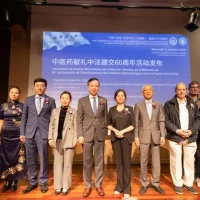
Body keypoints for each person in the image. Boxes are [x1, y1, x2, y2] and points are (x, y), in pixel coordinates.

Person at [20, 78, 56, 194]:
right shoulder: (28, 100)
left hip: (43, 133)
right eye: (37, 85)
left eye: (42, 85)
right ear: (34, 87)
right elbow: (24, 117)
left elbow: (53, 120)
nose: (40, 87)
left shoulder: (50, 100)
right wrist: (22, 133)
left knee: (44, 158)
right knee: (30, 159)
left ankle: (43, 182)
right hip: (29, 132)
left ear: (45, 87)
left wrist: (51, 135)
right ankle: (32, 182)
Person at [164, 82, 200, 195]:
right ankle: (178, 184)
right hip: (175, 137)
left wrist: (191, 131)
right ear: (175, 91)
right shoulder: (169, 104)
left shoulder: (192, 104)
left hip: (190, 137)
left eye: (184, 89)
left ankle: (188, 184)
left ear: (186, 90)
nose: (182, 92)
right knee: (176, 162)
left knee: (189, 162)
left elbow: (198, 119)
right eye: (179, 89)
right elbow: (166, 120)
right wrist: (177, 131)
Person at [77, 78, 108, 197]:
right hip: (87, 134)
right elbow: (79, 119)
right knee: (87, 161)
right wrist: (80, 135)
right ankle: (88, 185)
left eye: (96, 86)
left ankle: (99, 185)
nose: (94, 88)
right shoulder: (82, 101)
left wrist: (105, 133)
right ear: (88, 87)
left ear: (99, 87)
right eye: (92, 86)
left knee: (99, 161)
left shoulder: (103, 100)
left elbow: (105, 118)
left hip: (100, 134)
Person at [134, 84, 166, 195]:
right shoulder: (138, 105)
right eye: (145, 90)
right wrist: (136, 137)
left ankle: (156, 183)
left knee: (156, 161)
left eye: (150, 90)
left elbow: (161, 120)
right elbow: (136, 123)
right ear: (142, 93)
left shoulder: (158, 104)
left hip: (156, 136)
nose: (148, 92)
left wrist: (162, 135)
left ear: (153, 92)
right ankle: (144, 183)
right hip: (143, 136)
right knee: (143, 161)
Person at [48, 91, 77, 196]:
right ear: (60, 99)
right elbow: (51, 126)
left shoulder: (74, 111)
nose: (65, 100)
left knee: (68, 164)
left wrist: (75, 139)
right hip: (57, 141)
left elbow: (76, 127)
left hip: (69, 140)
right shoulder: (55, 111)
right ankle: (58, 186)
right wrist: (50, 138)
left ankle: (65, 186)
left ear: (70, 100)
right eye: (63, 98)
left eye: (67, 98)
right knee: (57, 164)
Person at [107, 89, 134, 199]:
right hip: (115, 139)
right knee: (119, 163)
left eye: (122, 95)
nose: (120, 97)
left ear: (125, 97)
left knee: (126, 164)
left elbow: (133, 125)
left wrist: (122, 132)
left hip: (126, 138)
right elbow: (108, 124)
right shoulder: (111, 109)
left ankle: (127, 188)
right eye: (118, 95)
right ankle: (119, 186)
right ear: (115, 97)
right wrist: (115, 131)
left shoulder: (130, 109)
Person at [0, 87, 26, 192]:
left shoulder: (23, 106)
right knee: (5, 158)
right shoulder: (3, 106)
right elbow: (1, 121)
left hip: (18, 136)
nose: (14, 94)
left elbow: (25, 121)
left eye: (16, 93)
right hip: (5, 136)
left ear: (19, 94)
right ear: (9, 94)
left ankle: (15, 181)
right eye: (12, 92)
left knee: (17, 158)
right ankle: (7, 181)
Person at [188, 81, 200, 187]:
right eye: (193, 87)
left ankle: (197, 177)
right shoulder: (184, 100)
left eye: (197, 87)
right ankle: (186, 176)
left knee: (198, 155)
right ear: (189, 89)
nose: (195, 89)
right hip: (187, 132)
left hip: (199, 132)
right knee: (187, 155)